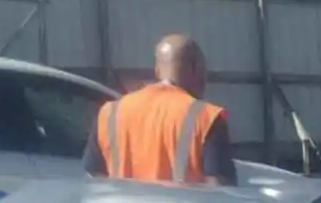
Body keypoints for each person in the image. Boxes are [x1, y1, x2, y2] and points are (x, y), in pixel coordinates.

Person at [83, 33, 238, 186]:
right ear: (195, 68)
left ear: (157, 70)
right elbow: (221, 190)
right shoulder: (206, 117)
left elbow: (94, 178)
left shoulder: (110, 113)